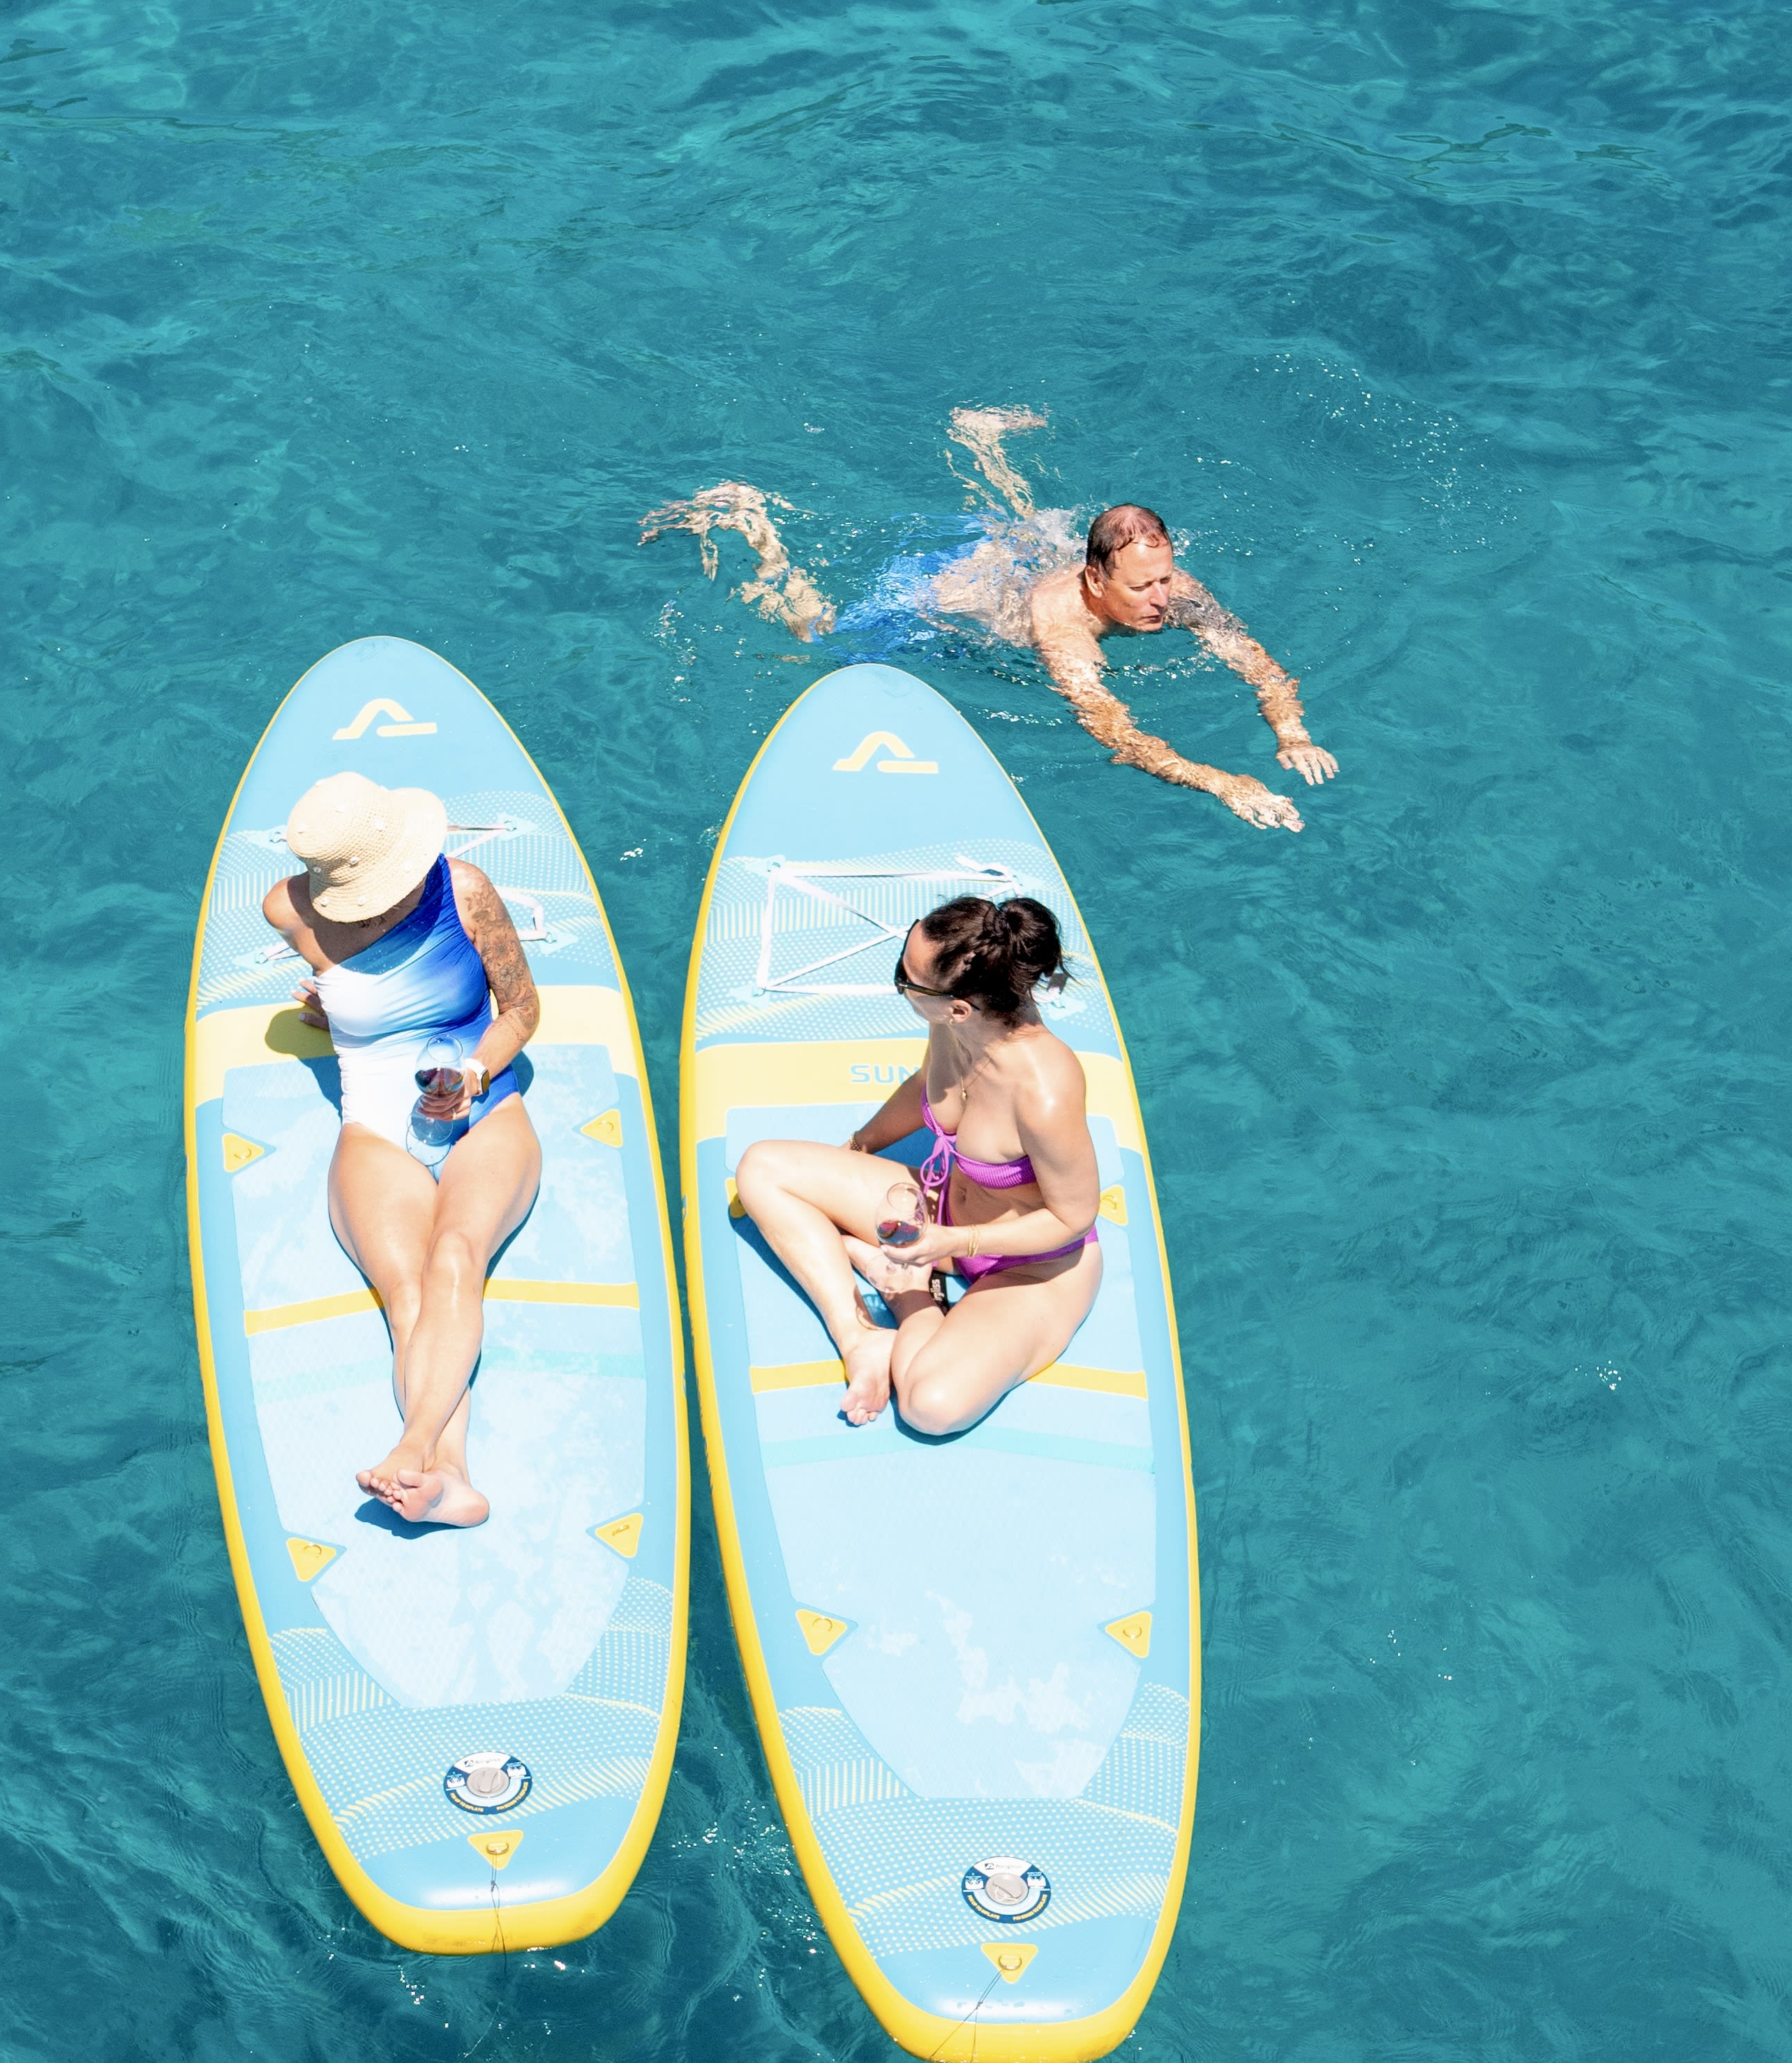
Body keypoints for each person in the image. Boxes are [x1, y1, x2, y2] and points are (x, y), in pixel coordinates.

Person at [641, 412, 1337, 829]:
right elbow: (1112, 729)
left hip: (1022, 560)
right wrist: (1221, 781)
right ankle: (750, 520)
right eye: (1141, 587)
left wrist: (1291, 732)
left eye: (1164, 579)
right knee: (822, 637)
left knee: (1022, 529)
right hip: (951, 596)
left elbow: (1253, 659)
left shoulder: (1173, 587)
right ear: (1095, 579)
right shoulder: (1064, 628)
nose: (1161, 599)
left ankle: (979, 438)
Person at [262, 772, 542, 1527]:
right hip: (376, 1126)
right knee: (407, 1294)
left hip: (485, 1106)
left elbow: (522, 1009)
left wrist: (475, 1073)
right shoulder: (287, 910)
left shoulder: (464, 890)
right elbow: (356, 1001)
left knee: (456, 1256)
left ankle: (415, 1448)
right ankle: (450, 1481)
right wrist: (334, 1010)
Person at [732, 895, 1101, 1433]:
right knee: (764, 1169)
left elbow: (1074, 1218)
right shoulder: (954, 1023)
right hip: (942, 1211)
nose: (901, 986)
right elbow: (927, 1085)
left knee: (930, 1408)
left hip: (1032, 1265)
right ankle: (859, 1340)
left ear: (959, 1006)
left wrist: (953, 1244)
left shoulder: (1044, 1090)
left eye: (905, 978)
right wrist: (858, 1148)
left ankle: (907, 1292)